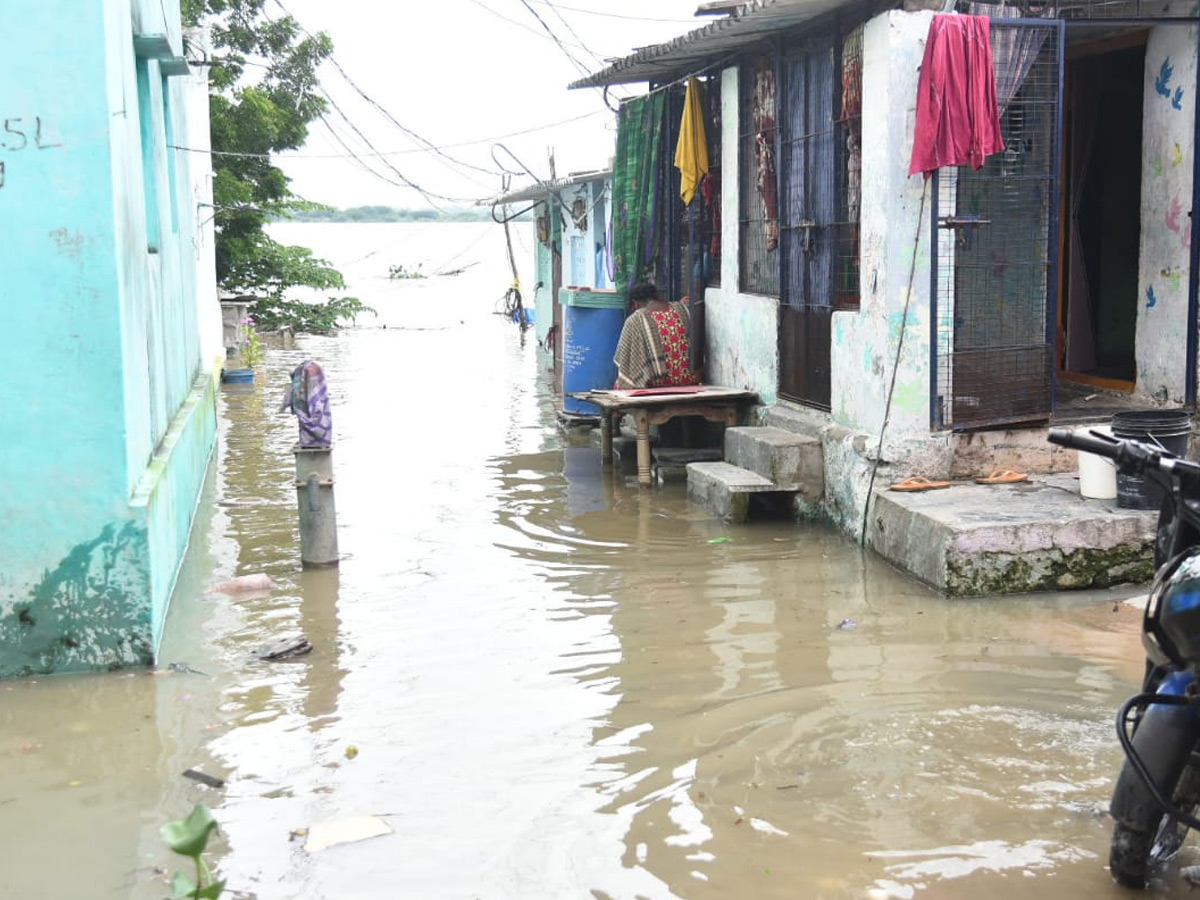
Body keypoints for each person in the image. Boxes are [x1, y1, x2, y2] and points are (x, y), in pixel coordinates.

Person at [612, 283, 701, 390]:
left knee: (620, 384)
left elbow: (624, 357)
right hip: (690, 378)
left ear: (635, 304)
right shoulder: (681, 308)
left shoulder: (636, 318)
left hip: (657, 381)